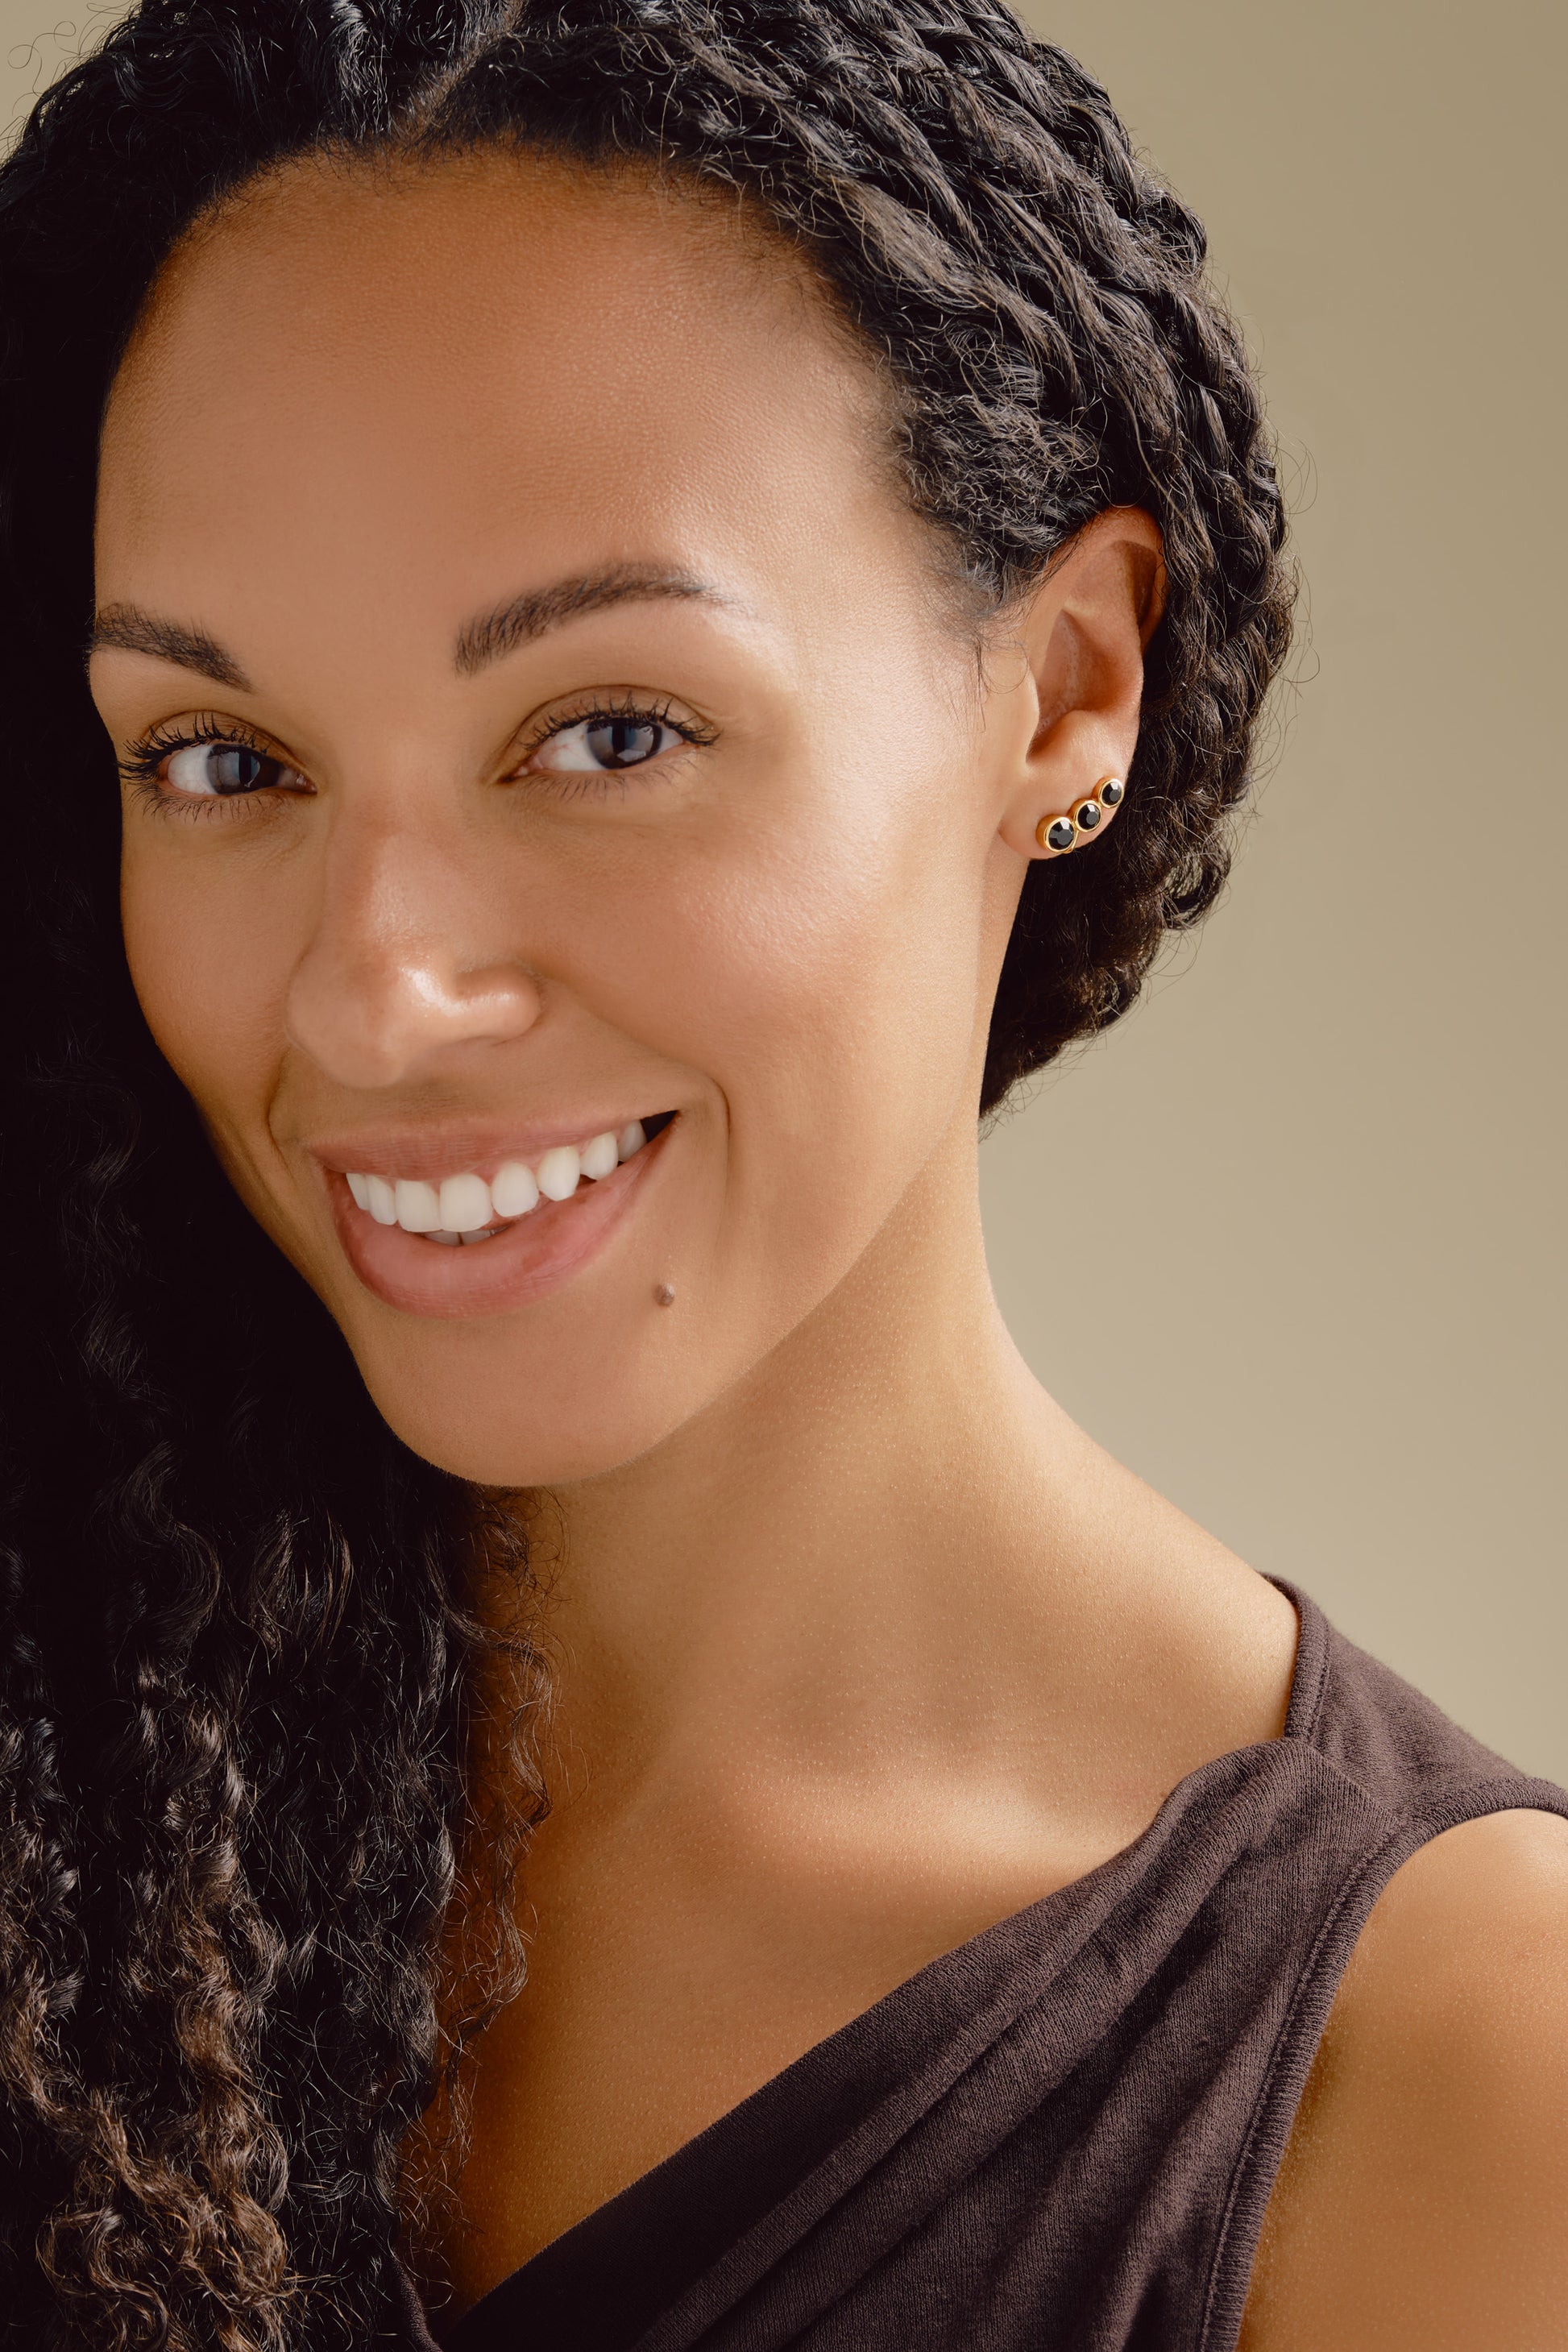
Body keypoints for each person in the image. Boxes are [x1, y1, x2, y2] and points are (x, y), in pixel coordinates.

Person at [1, 1, 1563, 2346]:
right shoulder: (70, 1784)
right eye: (224, 759)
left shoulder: (1456, 2089)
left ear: (1060, 691)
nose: (370, 993)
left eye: (605, 731)